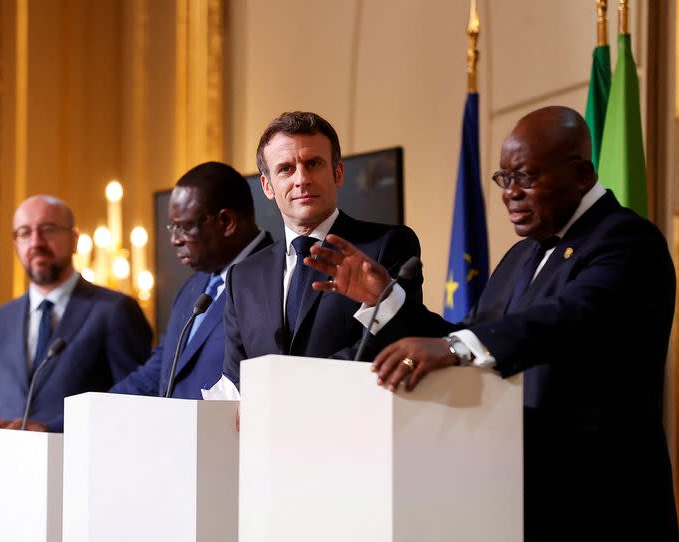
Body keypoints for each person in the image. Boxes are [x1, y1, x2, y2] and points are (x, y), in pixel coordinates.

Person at [306, 106, 678, 540]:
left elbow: (566, 321)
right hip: (518, 501)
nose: (511, 193)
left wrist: (453, 348)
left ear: (581, 174)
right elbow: (470, 335)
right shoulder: (523, 254)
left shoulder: (627, 241)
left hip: (603, 504)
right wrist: (386, 300)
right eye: (504, 178)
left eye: (527, 177)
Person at [221, 111, 438, 389]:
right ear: (267, 186)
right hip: (267, 429)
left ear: (338, 173)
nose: (302, 179)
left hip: (354, 421)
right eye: (286, 168)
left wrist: (290, 391)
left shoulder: (387, 245)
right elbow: (236, 374)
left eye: (313, 163)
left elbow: (390, 343)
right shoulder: (243, 276)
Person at [0, 195, 153, 432]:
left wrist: (54, 430)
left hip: (80, 463)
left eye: (48, 229)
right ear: (16, 245)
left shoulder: (115, 311)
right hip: (5, 465)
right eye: (24, 233)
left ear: (74, 240)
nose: (35, 242)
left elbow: (136, 404)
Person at [109, 162, 273, 398]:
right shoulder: (193, 287)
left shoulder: (276, 279)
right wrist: (79, 413)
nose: (175, 240)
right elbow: (160, 369)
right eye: (172, 228)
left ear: (226, 222)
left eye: (184, 227)